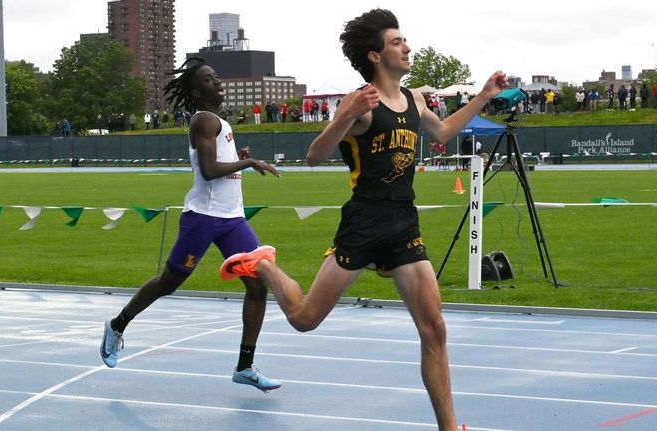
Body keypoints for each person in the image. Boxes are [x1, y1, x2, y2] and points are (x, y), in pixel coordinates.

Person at [218, 9, 507, 430]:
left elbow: (442, 133)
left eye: (405, 40)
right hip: (364, 225)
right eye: (397, 42)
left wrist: (483, 96)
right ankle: (262, 264)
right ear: (375, 56)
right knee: (304, 319)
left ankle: (449, 427)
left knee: (435, 329)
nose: (407, 48)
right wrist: (342, 115)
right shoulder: (363, 104)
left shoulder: (415, 100)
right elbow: (314, 157)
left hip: (404, 223)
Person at [100, 56, 282, 393]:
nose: (219, 82)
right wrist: (250, 160)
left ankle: (245, 366)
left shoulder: (219, 122)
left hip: (232, 220)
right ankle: (117, 325)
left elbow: (218, 163)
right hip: (203, 219)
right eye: (211, 79)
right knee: (169, 282)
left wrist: (239, 156)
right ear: (198, 91)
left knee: (258, 285)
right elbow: (209, 171)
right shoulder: (203, 120)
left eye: (217, 77)